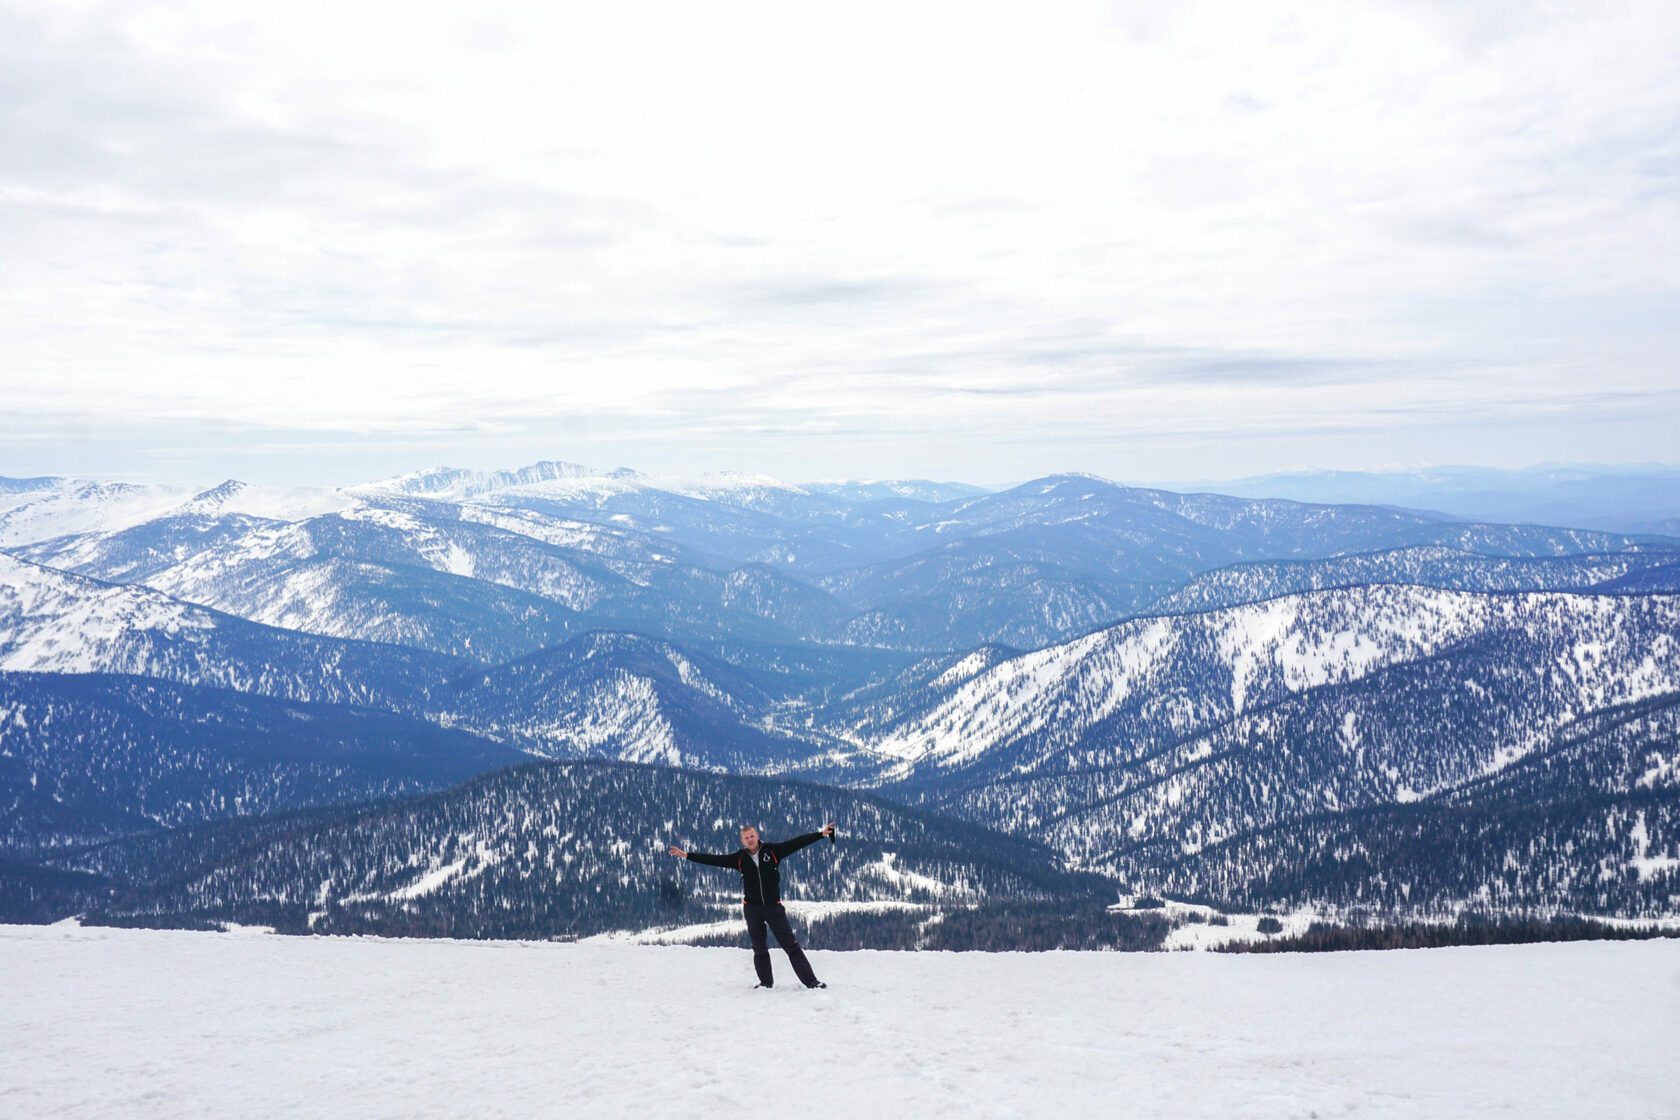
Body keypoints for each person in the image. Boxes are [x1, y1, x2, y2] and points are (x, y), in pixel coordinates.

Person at [668, 822, 836, 989]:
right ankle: (765, 983)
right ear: (742, 841)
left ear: (757, 836)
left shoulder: (772, 851)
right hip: (752, 909)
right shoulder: (739, 858)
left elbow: (796, 843)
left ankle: (812, 982)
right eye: (746, 838)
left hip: (774, 908)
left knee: (791, 946)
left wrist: (821, 834)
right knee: (759, 948)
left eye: (752, 836)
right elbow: (715, 859)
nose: (750, 840)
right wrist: (687, 855)